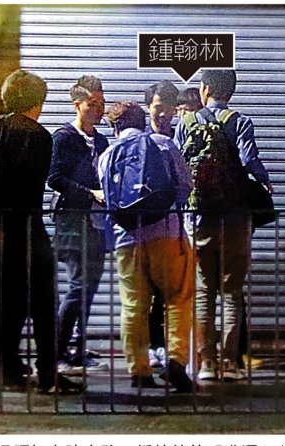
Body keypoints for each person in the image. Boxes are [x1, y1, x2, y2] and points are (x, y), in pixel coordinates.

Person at [0, 69, 83, 394]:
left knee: (7, 304)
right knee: (43, 301)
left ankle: (9, 369)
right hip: (23, 228)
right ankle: (47, 374)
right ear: (38, 101)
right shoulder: (37, 136)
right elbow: (26, 186)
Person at [174, 69, 273, 381]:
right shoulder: (240, 122)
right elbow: (249, 160)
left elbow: (179, 167)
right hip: (234, 218)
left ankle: (206, 364)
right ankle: (230, 363)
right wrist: (265, 181)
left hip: (199, 217)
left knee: (203, 291)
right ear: (230, 91)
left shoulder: (187, 122)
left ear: (205, 89)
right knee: (231, 291)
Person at [98, 101, 195, 391]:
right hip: (167, 234)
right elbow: (185, 185)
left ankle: (139, 370)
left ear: (115, 127)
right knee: (177, 298)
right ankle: (176, 363)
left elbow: (109, 198)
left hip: (127, 239)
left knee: (134, 306)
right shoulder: (163, 144)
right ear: (142, 121)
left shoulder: (107, 155)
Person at [47, 75, 111, 375]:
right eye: (92, 104)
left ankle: (77, 347)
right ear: (77, 105)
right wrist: (89, 193)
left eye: (101, 104)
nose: (98, 110)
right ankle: (57, 351)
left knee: (90, 286)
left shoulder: (101, 140)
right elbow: (55, 178)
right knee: (77, 285)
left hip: (96, 222)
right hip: (72, 221)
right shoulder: (63, 138)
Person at [142, 80, 180, 369]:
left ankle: (166, 346)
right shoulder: (139, 141)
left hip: (175, 225)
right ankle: (151, 345)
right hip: (144, 227)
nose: (163, 113)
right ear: (148, 108)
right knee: (147, 289)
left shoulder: (182, 138)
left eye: (168, 107)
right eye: (157, 107)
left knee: (169, 290)